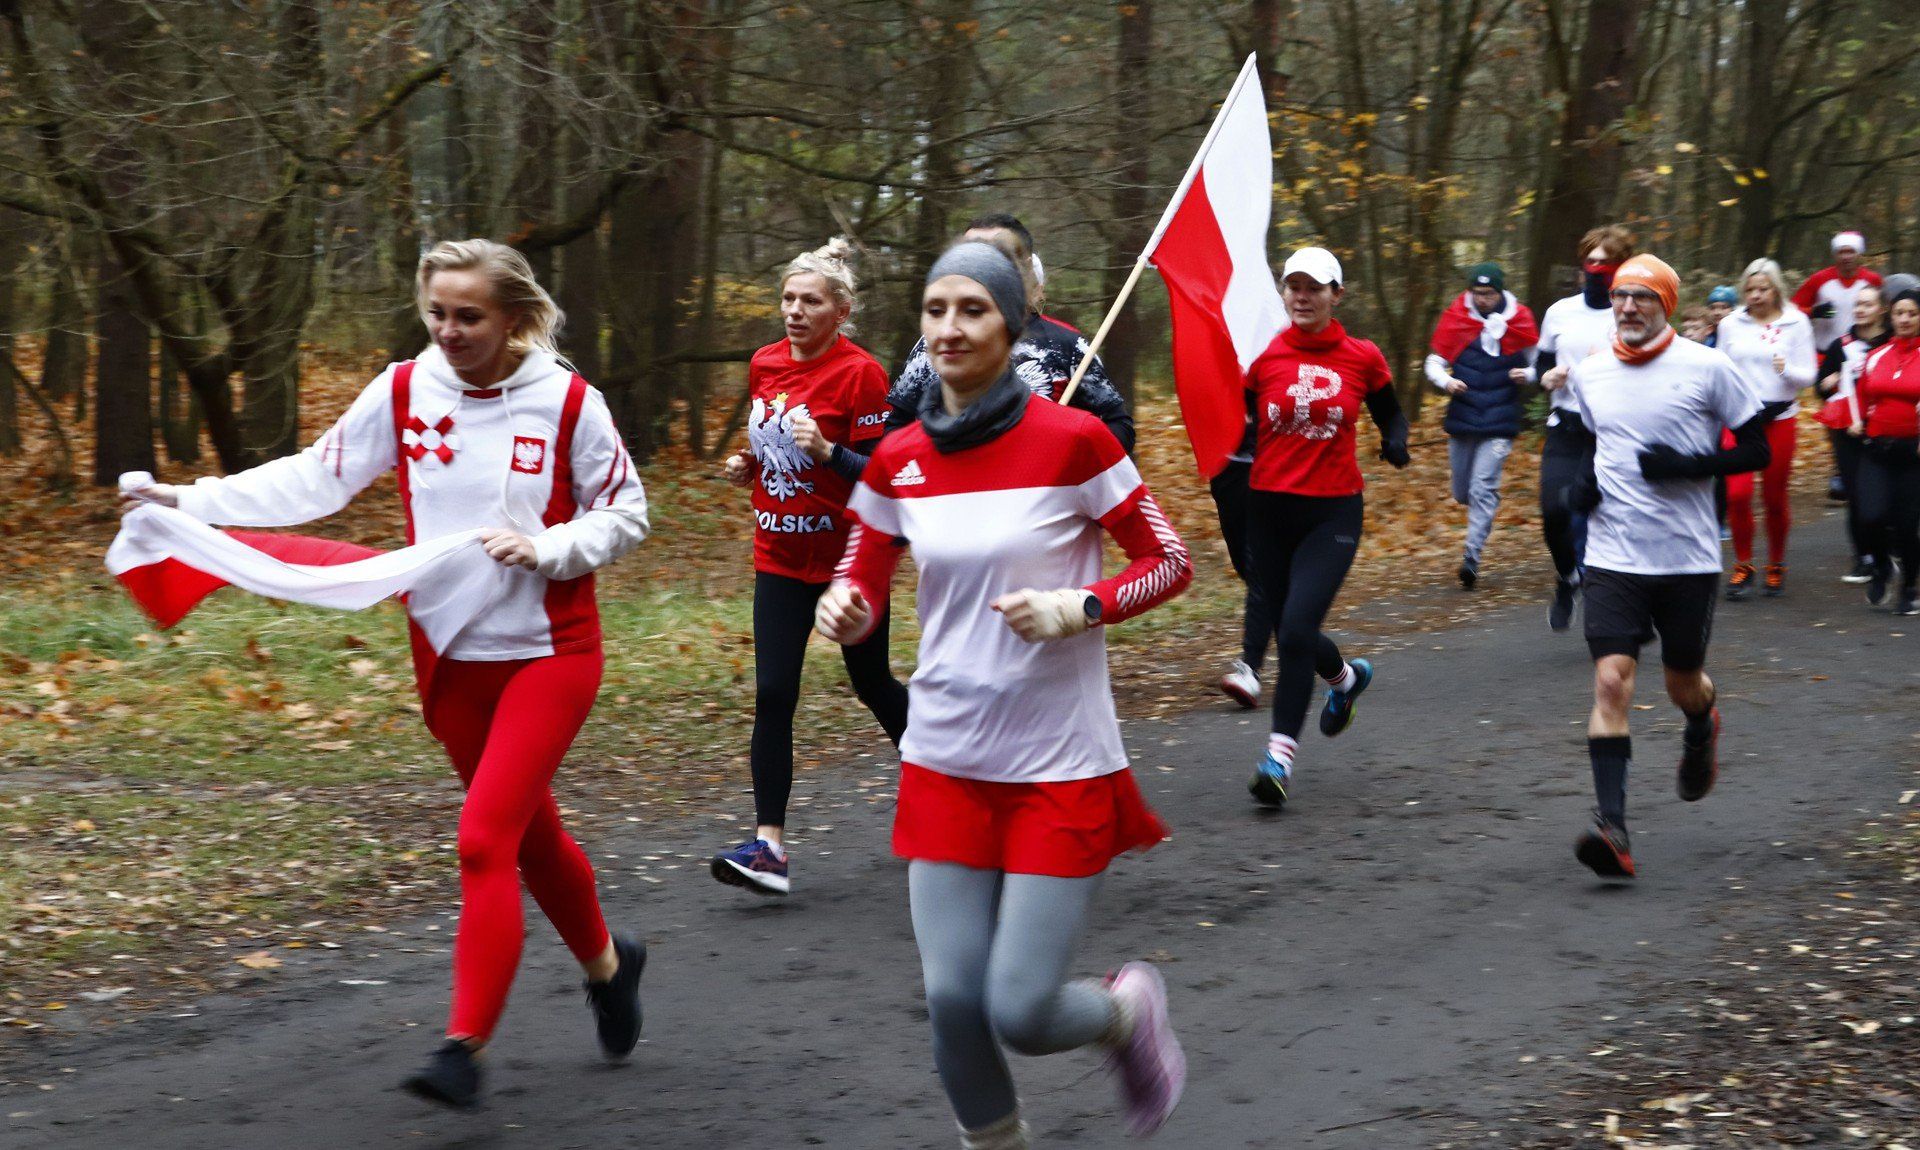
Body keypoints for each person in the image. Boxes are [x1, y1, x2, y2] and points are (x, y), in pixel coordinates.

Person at [120, 239, 651, 1107]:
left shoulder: (566, 401)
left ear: (514, 318)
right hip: (448, 656)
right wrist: (190, 499)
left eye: (469, 316)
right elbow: (314, 480)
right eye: (437, 313)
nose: (449, 331)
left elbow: (626, 512)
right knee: (528, 835)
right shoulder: (405, 390)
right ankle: (608, 966)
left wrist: (549, 547)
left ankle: (463, 1049)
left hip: (550, 655)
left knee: (482, 840)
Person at [816, 241, 1192, 1147]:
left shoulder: (1076, 441)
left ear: (1012, 325)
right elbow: (861, 575)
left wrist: (1081, 605)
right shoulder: (897, 457)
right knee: (953, 1001)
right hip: (945, 753)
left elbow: (1170, 560)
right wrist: (847, 608)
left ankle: (1123, 1014)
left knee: (1019, 1009)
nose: (950, 328)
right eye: (936, 310)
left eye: (972, 309)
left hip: (1056, 759)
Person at [711, 239, 910, 896]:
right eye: (788, 299)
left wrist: (828, 452)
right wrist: (749, 464)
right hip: (778, 558)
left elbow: (884, 479)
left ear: (841, 311)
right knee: (774, 695)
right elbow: (771, 446)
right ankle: (768, 848)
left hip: (848, 562)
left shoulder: (862, 375)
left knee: (872, 683)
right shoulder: (764, 362)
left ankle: (950, 785)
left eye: (810, 302)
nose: (794, 311)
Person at [1561, 254, 1770, 879]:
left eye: (1642, 297)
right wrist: (1581, 486)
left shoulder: (1707, 367)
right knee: (1611, 682)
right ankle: (1613, 828)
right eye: (1620, 295)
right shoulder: (1591, 372)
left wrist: (1688, 467)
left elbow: (1756, 447)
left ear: (1666, 305)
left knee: (1684, 683)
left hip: (1686, 557)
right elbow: (1593, 442)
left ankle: (1702, 724)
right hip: (1612, 554)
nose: (1628, 307)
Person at [1244, 247, 1410, 808]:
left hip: (1332, 513)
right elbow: (1239, 422)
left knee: (1294, 629)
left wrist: (1395, 440)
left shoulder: (1362, 357)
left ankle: (1277, 761)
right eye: (1293, 286)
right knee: (1291, 628)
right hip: (1268, 512)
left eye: (1314, 287)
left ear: (1336, 294)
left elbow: (1391, 413)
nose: (1302, 296)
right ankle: (1345, 680)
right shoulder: (1264, 358)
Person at [886, 213, 1135, 453]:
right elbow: (896, 424)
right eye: (970, 251)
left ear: (1025, 267)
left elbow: (1118, 426)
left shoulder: (1066, 345)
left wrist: (1063, 460)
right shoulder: (935, 343)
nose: (979, 262)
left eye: (997, 252)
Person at [1532, 225, 1635, 631]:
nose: (1595, 268)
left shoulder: (1630, 312)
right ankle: (1568, 577)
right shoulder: (1560, 311)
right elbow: (1542, 363)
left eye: (1605, 262)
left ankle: (1617, 604)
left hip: (1612, 430)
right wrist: (1548, 377)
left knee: (1608, 515)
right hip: (1565, 426)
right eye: (1590, 260)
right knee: (1553, 511)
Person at [1424, 262, 1539, 589]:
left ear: (1500, 292)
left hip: (1501, 420)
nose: (1482, 299)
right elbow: (1434, 363)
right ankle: (1484, 505)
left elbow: (1540, 363)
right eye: (1477, 293)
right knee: (1462, 492)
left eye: (1488, 293)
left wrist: (1527, 374)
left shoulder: (1520, 319)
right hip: (1464, 417)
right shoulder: (1457, 318)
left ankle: (1471, 558)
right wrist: (1446, 382)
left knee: (1482, 487)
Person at [1717, 258, 1816, 598]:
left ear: (1776, 290)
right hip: (1739, 418)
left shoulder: (1796, 322)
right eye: (1750, 290)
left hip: (1780, 417)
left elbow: (1809, 375)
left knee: (1774, 497)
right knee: (1737, 495)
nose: (1756, 295)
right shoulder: (1730, 324)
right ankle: (1743, 565)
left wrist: (1787, 370)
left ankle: (1776, 563)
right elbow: (1719, 368)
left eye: (1763, 289)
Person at [1849, 287, 1920, 616]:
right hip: (1877, 449)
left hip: (1912, 455)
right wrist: (1856, 420)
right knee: (1870, 516)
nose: (1905, 319)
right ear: (1891, 317)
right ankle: (1881, 566)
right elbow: (1862, 395)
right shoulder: (1877, 355)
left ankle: (1909, 587)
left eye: (1912, 314)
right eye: (1899, 313)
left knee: (1906, 526)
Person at [1815, 283, 1891, 582]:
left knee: (1887, 494)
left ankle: (1889, 548)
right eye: (1858, 304)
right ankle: (1864, 558)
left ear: (1881, 309)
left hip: (1886, 429)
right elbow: (1822, 388)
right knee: (1857, 496)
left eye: (1868, 304)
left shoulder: (1893, 342)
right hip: (1849, 431)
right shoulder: (1841, 345)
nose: (1860, 309)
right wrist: (1829, 382)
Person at [1213, 415, 1276, 708]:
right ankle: (1328, 661)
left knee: (1259, 567)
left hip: (1272, 463)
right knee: (1247, 569)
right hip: (1228, 467)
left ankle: (1250, 669)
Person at [1793, 230, 1883, 353]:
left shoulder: (1872, 280)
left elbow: (1884, 312)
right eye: (1841, 252)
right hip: (1823, 352)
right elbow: (1790, 310)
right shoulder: (1819, 279)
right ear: (1835, 255)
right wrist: (1813, 312)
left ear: (1859, 254)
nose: (1846, 257)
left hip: (1861, 352)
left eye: (1851, 251)